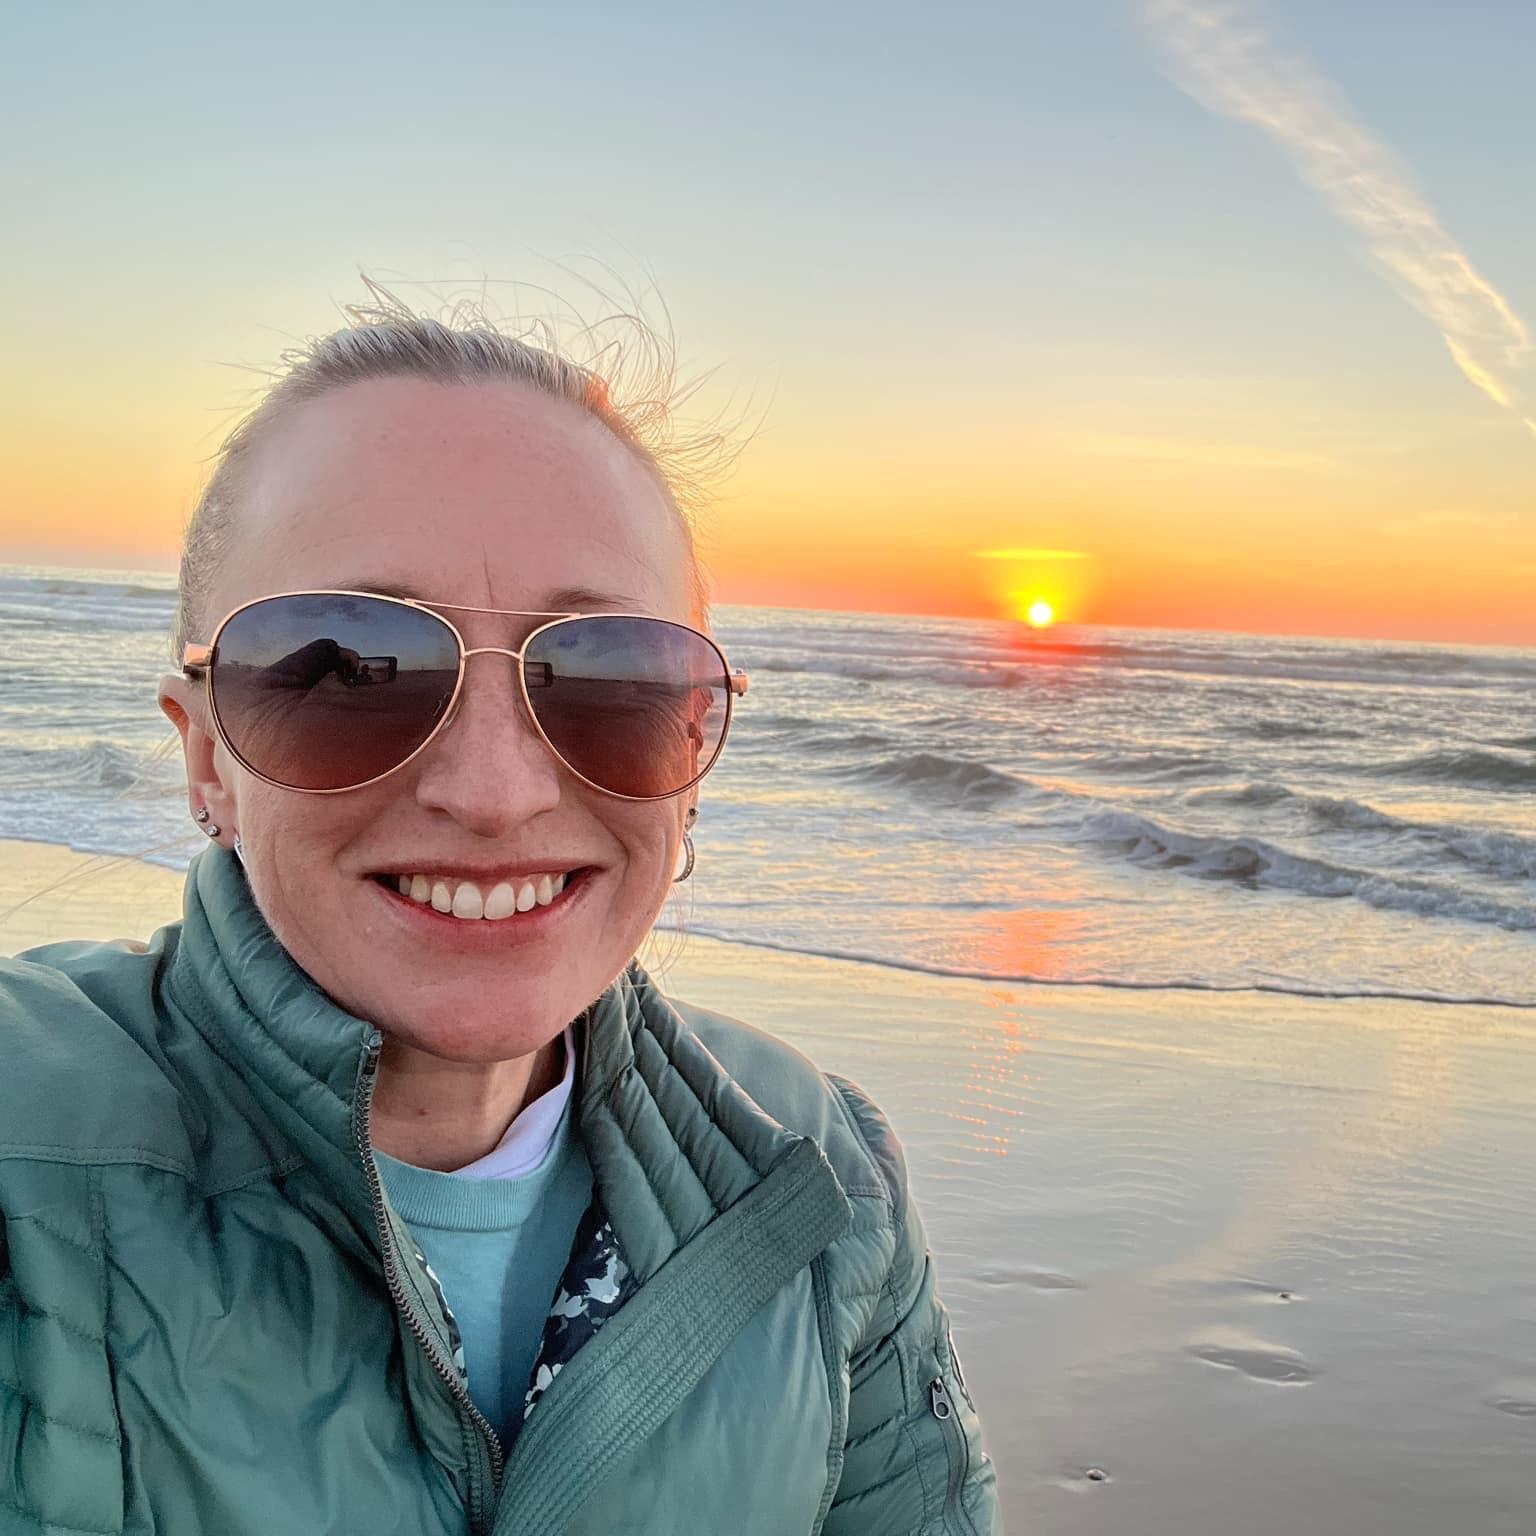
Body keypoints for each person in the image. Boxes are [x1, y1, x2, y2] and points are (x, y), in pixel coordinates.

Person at [0, 296, 1000, 1535]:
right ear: (208, 755)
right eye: (345, 670)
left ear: (693, 750)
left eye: (609, 676)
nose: (493, 792)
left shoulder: (819, 1174)